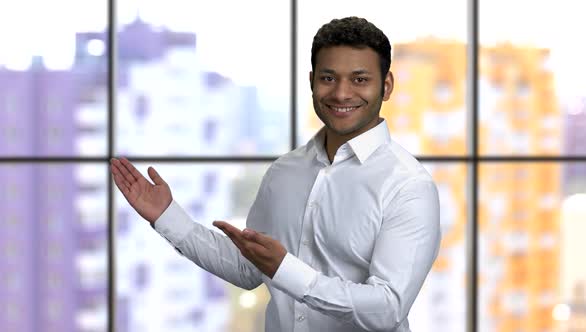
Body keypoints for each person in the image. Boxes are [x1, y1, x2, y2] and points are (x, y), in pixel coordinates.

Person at [110, 16, 441, 332]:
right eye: (328, 78)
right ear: (312, 82)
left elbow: (387, 308)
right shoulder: (285, 172)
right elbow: (249, 269)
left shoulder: (408, 186)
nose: (341, 93)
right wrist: (167, 217)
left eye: (359, 79)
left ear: (386, 86)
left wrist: (287, 270)